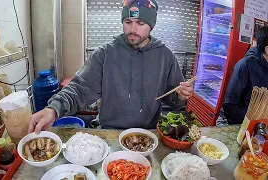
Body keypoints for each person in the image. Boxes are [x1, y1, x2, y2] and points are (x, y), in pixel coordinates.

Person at [28, 0, 194, 133]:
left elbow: (173, 102)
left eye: (141, 23)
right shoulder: (105, 54)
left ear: (151, 25)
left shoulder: (165, 56)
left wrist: (180, 96)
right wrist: (53, 109)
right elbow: (80, 89)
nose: (133, 29)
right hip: (109, 133)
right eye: (128, 22)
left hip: (149, 134)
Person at [223, 26, 268, 124]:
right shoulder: (245, 65)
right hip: (237, 122)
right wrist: (250, 124)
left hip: (260, 123)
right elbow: (230, 106)